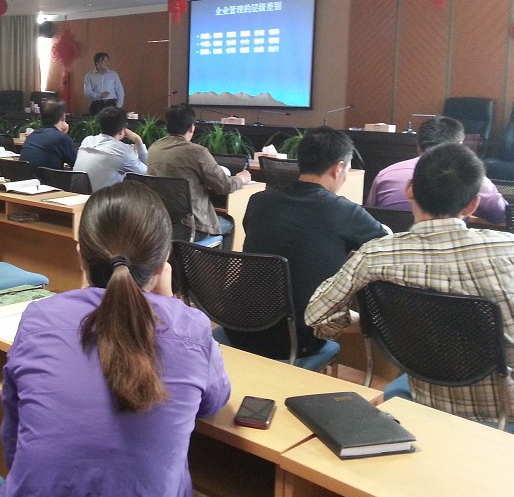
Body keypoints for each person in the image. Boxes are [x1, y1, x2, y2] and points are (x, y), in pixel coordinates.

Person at [0, 181, 230, 496]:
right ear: (163, 263)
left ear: (81, 256)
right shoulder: (190, 328)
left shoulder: (39, 317)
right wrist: (170, 304)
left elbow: (14, 437)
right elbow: (214, 402)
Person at [306, 143, 514, 426]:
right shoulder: (509, 251)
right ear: (472, 205)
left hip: (425, 403)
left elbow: (317, 316)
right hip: (504, 417)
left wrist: (379, 324)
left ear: (410, 190)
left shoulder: (376, 255)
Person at [240, 126, 386, 359]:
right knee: (372, 316)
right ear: (338, 168)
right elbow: (385, 245)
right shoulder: (345, 212)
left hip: (239, 327)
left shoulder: (258, 201)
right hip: (297, 340)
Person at [366, 116, 507, 224]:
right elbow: (502, 215)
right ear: (459, 145)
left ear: (418, 145)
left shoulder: (386, 174)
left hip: (391, 247)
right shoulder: (471, 177)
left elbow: (371, 214)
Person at [147, 104, 250, 249]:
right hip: (191, 227)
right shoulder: (197, 153)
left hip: (161, 224)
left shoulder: (154, 148)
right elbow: (225, 186)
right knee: (230, 225)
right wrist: (241, 179)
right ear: (191, 128)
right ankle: (219, 264)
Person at [73, 106, 147, 191]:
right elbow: (145, 174)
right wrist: (138, 140)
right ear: (123, 129)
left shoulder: (87, 140)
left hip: (77, 196)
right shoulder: (121, 150)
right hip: (103, 198)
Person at [18, 99, 77, 178]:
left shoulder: (32, 135)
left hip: (26, 183)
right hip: (48, 184)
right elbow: (78, 165)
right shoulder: (61, 138)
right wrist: (64, 134)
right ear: (63, 116)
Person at [83, 52, 125, 116]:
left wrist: (118, 107)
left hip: (111, 104)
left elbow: (120, 91)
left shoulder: (114, 74)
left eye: (107, 61)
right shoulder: (89, 76)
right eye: (103, 61)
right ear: (97, 63)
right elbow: (87, 93)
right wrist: (100, 95)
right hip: (97, 105)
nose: (106, 63)